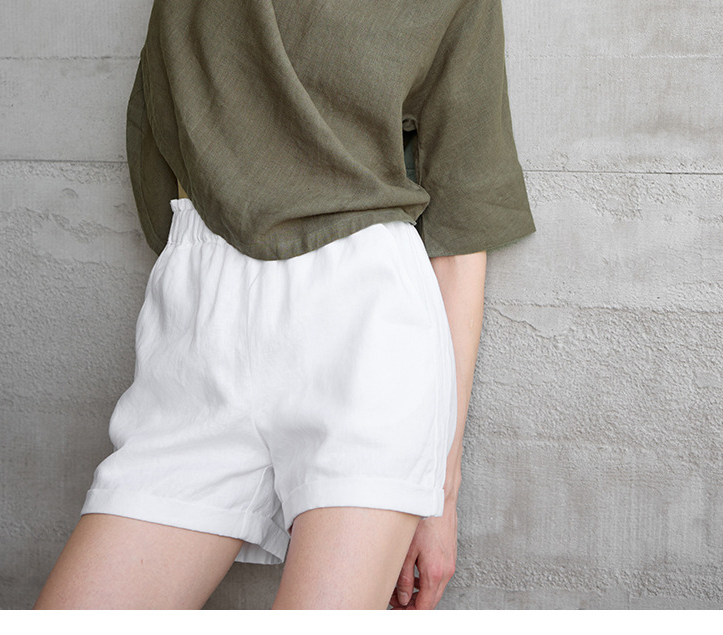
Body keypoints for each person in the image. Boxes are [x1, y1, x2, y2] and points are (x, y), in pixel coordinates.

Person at [34, 0, 535, 610]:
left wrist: (441, 492)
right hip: (198, 338)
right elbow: (156, 131)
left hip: (364, 331)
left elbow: (462, 223)